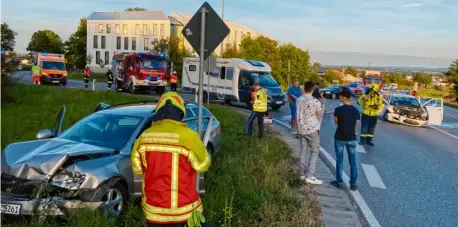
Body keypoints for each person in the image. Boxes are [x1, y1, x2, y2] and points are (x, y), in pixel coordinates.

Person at [131, 92, 211, 227]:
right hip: (182, 210)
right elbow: (202, 165)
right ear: (181, 113)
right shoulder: (189, 137)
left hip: (153, 210)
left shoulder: (144, 137)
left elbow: (137, 169)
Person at [330, 89, 360, 191]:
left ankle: (339, 181)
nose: (339, 97)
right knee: (353, 162)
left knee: (340, 160)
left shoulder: (338, 109)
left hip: (339, 138)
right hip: (351, 139)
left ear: (343, 98)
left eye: (340, 96)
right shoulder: (356, 111)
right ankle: (353, 184)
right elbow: (355, 125)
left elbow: (336, 122)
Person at [297, 81, 323, 185]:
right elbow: (319, 116)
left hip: (301, 128)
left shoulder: (299, 99)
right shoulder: (316, 101)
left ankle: (302, 174)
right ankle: (310, 176)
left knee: (303, 150)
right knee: (314, 151)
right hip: (312, 129)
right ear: (313, 89)